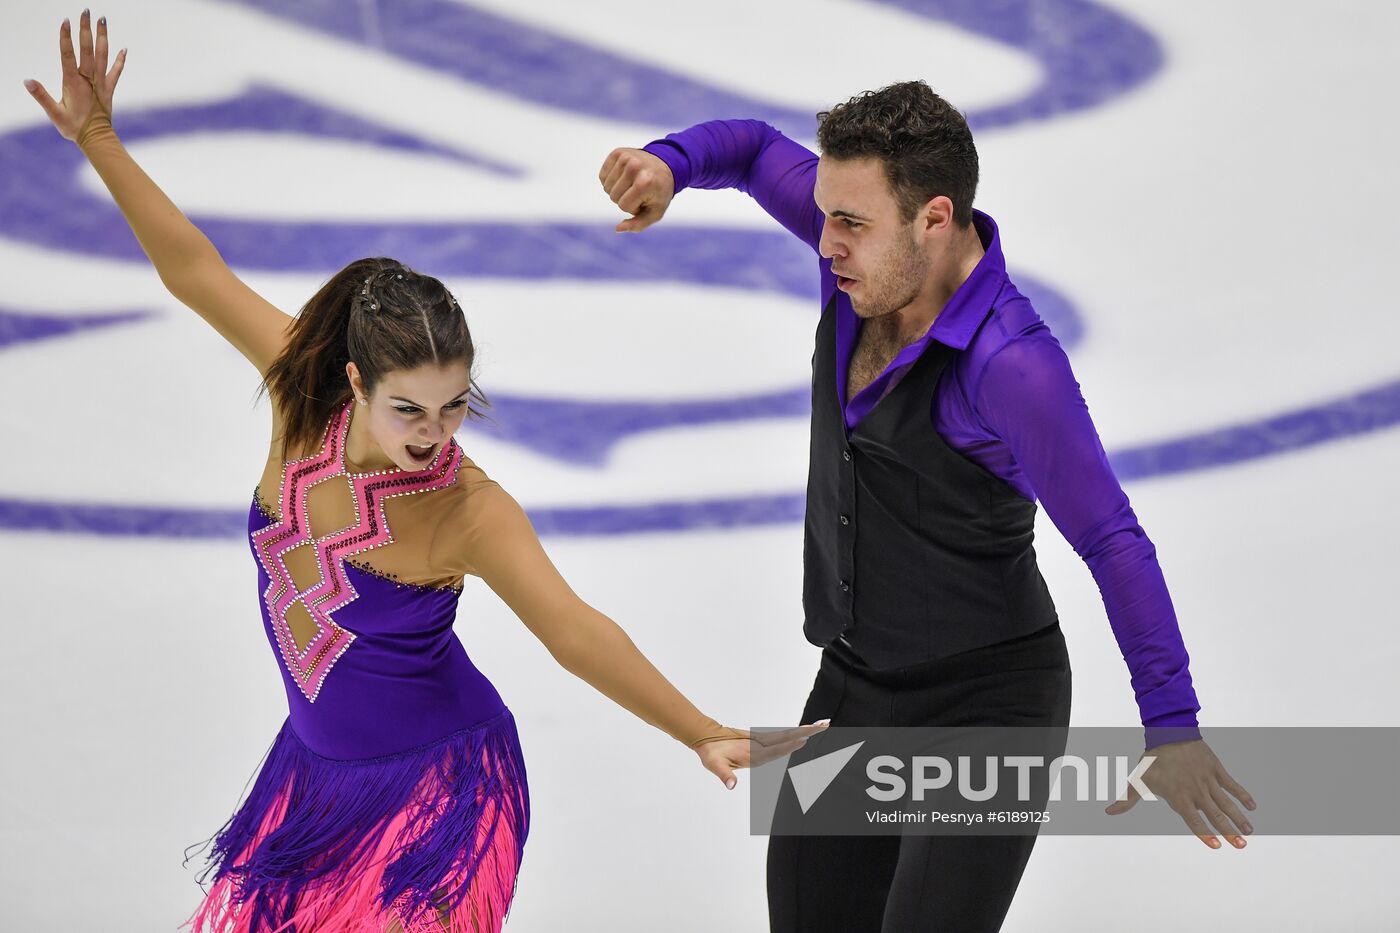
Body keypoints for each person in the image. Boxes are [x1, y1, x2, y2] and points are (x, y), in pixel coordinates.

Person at [23, 12, 826, 932]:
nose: (435, 433)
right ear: (356, 381)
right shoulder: (301, 392)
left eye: (454, 405)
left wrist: (701, 728)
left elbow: (573, 630)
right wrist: (99, 139)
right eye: (410, 408)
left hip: (443, 799)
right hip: (313, 783)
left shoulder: (470, 510)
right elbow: (194, 269)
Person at [600, 81, 1256, 932]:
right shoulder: (868, 253)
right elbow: (759, 149)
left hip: (987, 707)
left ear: (935, 218)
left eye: (852, 224)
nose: (826, 240)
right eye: (828, 214)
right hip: (857, 682)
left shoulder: (1011, 366)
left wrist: (1172, 724)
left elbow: (1112, 539)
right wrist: (671, 163)